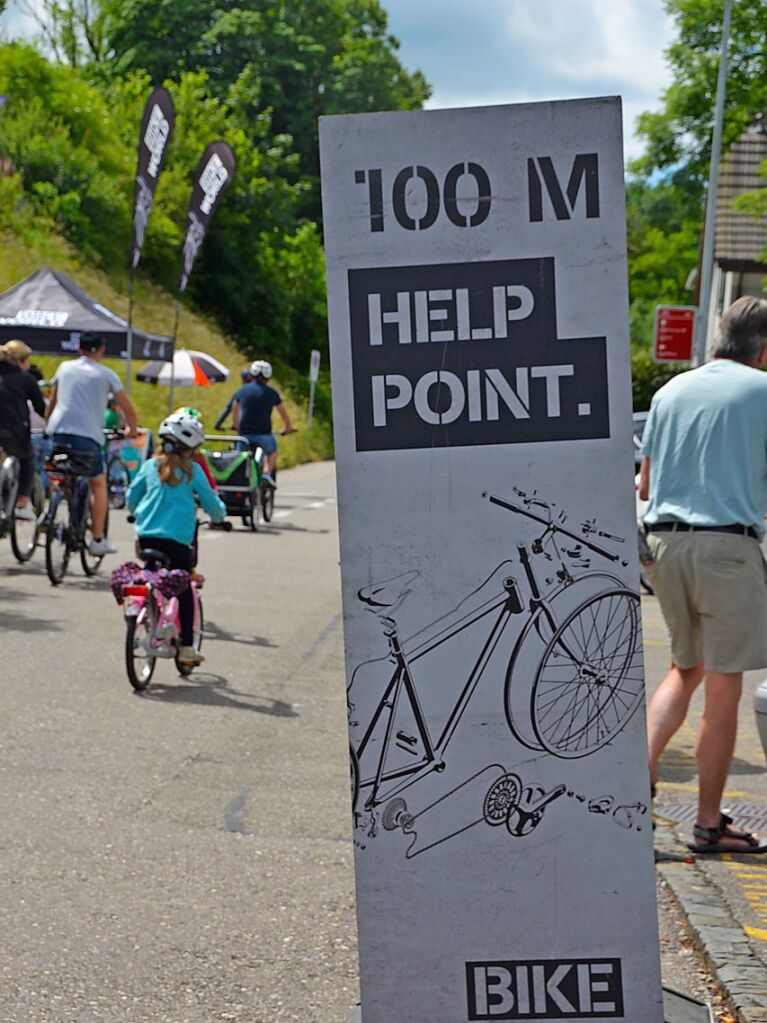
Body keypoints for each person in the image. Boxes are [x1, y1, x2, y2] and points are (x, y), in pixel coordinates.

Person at [639, 295, 767, 856]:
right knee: (723, 685)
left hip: (664, 544)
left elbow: (645, 484)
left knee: (683, 668)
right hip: (725, 547)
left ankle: (632, 786)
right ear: (765, 349)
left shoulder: (670, 391)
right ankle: (710, 824)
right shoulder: (762, 393)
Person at [126, 408, 226, 667]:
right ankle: (185, 648)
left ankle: (139, 603)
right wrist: (219, 517)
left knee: (150, 573)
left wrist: (136, 512)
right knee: (183, 588)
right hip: (178, 543)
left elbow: (132, 497)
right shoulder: (193, 471)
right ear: (191, 449)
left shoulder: (150, 466)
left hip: (146, 537)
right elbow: (212, 505)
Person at [45, 331, 138, 556]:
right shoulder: (107, 374)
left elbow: (54, 402)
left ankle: (52, 506)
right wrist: (131, 430)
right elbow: (128, 408)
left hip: (59, 432)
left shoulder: (64, 368)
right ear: (101, 349)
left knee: (59, 471)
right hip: (87, 436)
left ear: (79, 349)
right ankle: (97, 539)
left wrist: (49, 425)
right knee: (98, 483)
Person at [0, 340, 46, 520]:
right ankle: (22, 502)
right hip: (14, 433)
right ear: (22, 360)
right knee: (28, 459)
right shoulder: (25, 378)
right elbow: (41, 408)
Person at [230, 360, 295, 485]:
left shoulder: (243, 390)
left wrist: (235, 425)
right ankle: (267, 473)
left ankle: (239, 478)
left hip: (244, 434)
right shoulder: (272, 392)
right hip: (263, 433)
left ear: (252, 375)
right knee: (272, 451)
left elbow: (235, 409)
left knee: (240, 457)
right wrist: (288, 427)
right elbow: (283, 413)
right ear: (268, 376)